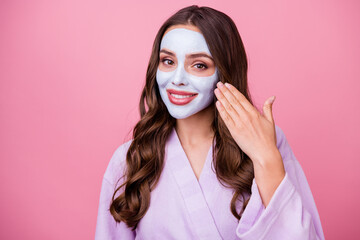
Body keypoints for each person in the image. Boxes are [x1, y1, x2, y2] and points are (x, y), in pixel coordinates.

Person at [95, 5, 325, 240]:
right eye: (167, 61)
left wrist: (265, 157)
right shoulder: (129, 159)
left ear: (224, 72)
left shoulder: (268, 142)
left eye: (199, 65)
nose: (177, 79)